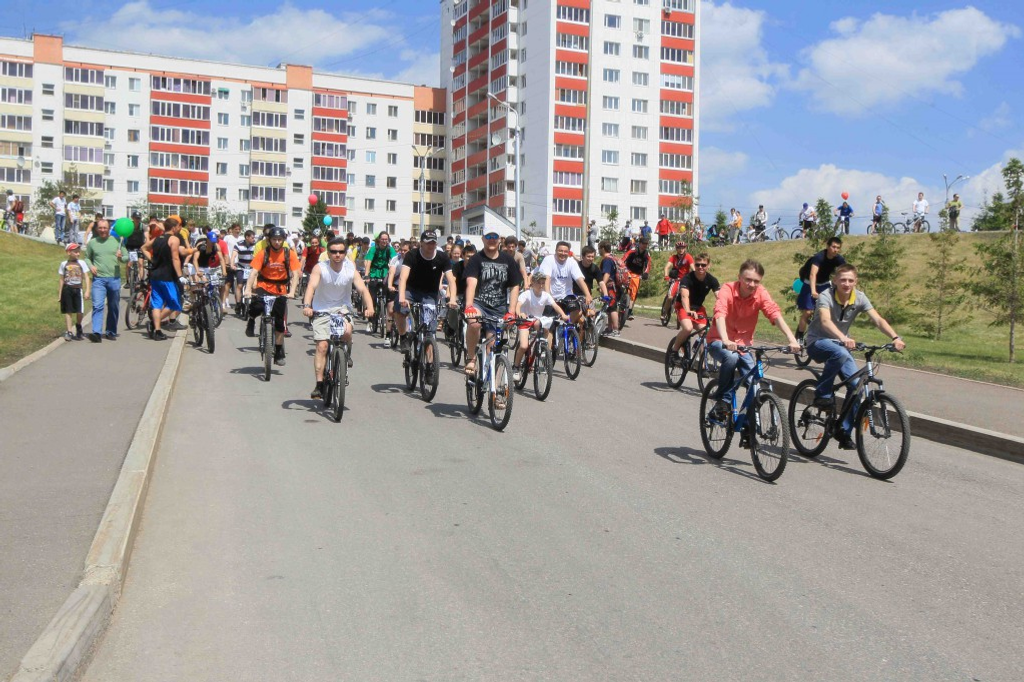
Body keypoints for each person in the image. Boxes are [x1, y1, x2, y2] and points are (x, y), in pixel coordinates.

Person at [805, 264, 906, 449]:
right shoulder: (826, 296)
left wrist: (895, 337)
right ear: (835, 281)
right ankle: (823, 394)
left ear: (855, 282)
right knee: (839, 352)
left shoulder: (859, 297)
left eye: (850, 280)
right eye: (843, 280)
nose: (846, 283)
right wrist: (843, 337)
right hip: (817, 342)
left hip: (841, 346)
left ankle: (843, 431)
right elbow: (825, 321)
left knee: (857, 386)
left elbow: (878, 319)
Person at [707, 260, 801, 424]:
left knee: (755, 384)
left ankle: (746, 424)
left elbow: (774, 313)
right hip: (719, 341)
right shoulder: (728, 289)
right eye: (748, 280)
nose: (751, 284)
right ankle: (723, 401)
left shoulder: (760, 293)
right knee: (731, 357)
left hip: (743, 345)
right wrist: (725, 339)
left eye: (756, 281)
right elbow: (720, 313)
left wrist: (792, 339)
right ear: (739, 277)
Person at [302, 237, 375, 399]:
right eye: (334, 252)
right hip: (322, 309)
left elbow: (363, 290)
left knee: (347, 332)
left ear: (345, 253)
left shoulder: (350, 269)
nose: (337, 255)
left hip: (342, 309)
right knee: (322, 346)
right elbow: (311, 286)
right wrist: (307, 306)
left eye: (341, 252)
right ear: (328, 253)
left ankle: (345, 355)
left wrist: (370, 307)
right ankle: (319, 384)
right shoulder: (320, 268)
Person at [463, 230, 523, 376]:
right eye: (488, 237)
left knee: (492, 347)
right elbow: (471, 282)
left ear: (499, 240)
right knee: (474, 323)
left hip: (498, 308)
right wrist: (469, 306)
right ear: (483, 239)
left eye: (494, 237)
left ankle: (492, 386)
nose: (491, 239)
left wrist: (511, 311)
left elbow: (515, 286)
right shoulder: (476, 259)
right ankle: (471, 358)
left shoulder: (507, 260)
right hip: (479, 304)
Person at [395, 230, 457, 362]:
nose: (431, 245)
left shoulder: (442, 257)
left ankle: (430, 365)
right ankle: (403, 337)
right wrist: (401, 297)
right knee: (400, 310)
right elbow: (403, 278)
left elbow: (451, 280)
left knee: (429, 330)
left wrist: (452, 299)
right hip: (411, 290)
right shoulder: (412, 255)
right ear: (421, 243)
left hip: (430, 293)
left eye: (433, 243)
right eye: (428, 243)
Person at [244, 227, 300, 366]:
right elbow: (254, 272)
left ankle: (279, 352)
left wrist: (292, 291)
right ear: (269, 240)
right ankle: (251, 320)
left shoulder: (289, 254)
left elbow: (295, 274)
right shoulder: (264, 253)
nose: (277, 242)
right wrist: (248, 289)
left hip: (280, 289)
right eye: (274, 239)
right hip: (263, 286)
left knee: (280, 323)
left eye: (279, 239)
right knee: (256, 306)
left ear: (283, 240)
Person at [513, 271, 569, 381]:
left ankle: (542, 349)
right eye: (539, 283)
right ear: (533, 283)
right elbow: (518, 305)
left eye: (543, 283)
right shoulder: (527, 294)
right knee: (523, 346)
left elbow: (555, 306)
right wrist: (520, 313)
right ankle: (516, 367)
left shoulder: (546, 295)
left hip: (537, 321)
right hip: (525, 321)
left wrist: (563, 315)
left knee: (545, 327)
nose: (541, 285)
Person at [83, 217, 127, 341]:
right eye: (100, 228)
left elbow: (126, 257)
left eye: (105, 228)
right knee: (97, 305)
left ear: (109, 229)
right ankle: (96, 333)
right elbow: (87, 257)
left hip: (114, 279)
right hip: (99, 280)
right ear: (97, 229)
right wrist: (91, 266)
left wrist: (121, 257)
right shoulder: (93, 242)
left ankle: (111, 331)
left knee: (113, 306)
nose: (102, 230)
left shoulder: (117, 241)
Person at [142, 218, 186, 340]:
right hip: (167, 276)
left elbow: (143, 248)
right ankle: (155, 323)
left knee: (157, 304)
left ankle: (157, 331)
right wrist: (180, 276)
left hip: (155, 275)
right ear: (174, 228)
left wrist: (152, 259)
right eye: (178, 227)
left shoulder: (157, 239)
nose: (179, 229)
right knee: (175, 303)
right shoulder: (174, 239)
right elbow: (175, 258)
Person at [795, 237, 846, 341]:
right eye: (833, 247)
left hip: (824, 283)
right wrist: (813, 291)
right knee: (808, 312)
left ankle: (827, 334)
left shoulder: (839, 259)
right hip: (810, 283)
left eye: (838, 248)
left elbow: (846, 272)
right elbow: (812, 274)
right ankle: (799, 336)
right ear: (827, 246)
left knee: (828, 311)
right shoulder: (819, 257)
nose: (835, 250)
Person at [669, 252, 720, 356]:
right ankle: (674, 350)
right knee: (688, 328)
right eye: (697, 265)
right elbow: (684, 296)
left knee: (705, 333)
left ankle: (702, 363)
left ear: (708, 266)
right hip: (683, 306)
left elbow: (720, 298)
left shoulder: (712, 280)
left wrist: (723, 312)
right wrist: (688, 311)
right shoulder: (687, 278)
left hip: (698, 308)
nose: (700, 267)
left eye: (703, 265)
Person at [538, 240, 592, 325]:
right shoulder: (548, 260)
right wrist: (548, 296)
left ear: (569, 252)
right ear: (555, 251)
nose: (563, 253)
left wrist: (588, 294)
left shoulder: (571, 262)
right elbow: (546, 279)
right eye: (560, 251)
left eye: (565, 251)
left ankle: (567, 326)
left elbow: (579, 280)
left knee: (577, 310)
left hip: (567, 296)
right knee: (549, 325)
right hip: (551, 296)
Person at [58, 243, 90, 341]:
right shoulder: (64, 264)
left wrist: (87, 290)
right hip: (67, 289)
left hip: (78, 289)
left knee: (80, 311)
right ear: (69, 252)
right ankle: (69, 331)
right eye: (75, 252)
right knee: (68, 311)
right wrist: (60, 294)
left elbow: (86, 277)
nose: (78, 254)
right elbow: (61, 279)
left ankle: (78, 325)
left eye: (78, 252)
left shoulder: (82, 263)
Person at [664, 240, 695, 324]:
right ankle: (665, 312)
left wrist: (695, 276)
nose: (681, 250)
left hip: (685, 280)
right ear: (676, 249)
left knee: (686, 297)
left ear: (685, 248)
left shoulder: (688, 257)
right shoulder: (673, 257)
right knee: (670, 297)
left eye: (683, 248)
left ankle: (684, 313)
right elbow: (667, 267)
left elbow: (693, 268)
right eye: (679, 248)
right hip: (676, 280)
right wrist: (666, 276)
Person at [622, 237, 652, 318]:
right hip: (627, 270)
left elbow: (648, 265)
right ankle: (619, 298)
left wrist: (646, 273)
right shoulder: (633, 250)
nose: (645, 246)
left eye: (646, 244)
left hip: (637, 274)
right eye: (643, 244)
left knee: (634, 293)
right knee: (622, 286)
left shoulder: (646, 254)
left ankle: (629, 311)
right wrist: (622, 268)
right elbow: (624, 258)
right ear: (640, 243)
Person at [598, 240, 622, 336]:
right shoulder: (613, 258)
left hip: (611, 287)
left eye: (599, 248)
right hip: (616, 286)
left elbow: (607, 273)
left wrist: (602, 284)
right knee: (609, 307)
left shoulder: (607, 260)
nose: (599, 250)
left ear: (603, 248)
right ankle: (609, 328)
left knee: (612, 308)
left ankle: (615, 330)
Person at [231, 229, 256, 314]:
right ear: (247, 237)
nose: (253, 239)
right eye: (252, 238)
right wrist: (232, 264)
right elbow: (234, 255)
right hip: (241, 268)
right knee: (239, 285)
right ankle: (238, 304)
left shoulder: (255, 245)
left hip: (251, 268)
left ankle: (253, 303)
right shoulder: (239, 244)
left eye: (254, 238)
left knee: (254, 286)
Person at [123, 211, 148, 285]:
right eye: (136, 218)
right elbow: (123, 235)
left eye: (139, 218)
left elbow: (146, 236)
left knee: (141, 263)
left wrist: (146, 244)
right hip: (130, 246)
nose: (137, 220)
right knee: (129, 264)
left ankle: (141, 280)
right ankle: (128, 281)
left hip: (140, 246)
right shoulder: (128, 226)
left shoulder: (143, 226)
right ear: (132, 218)